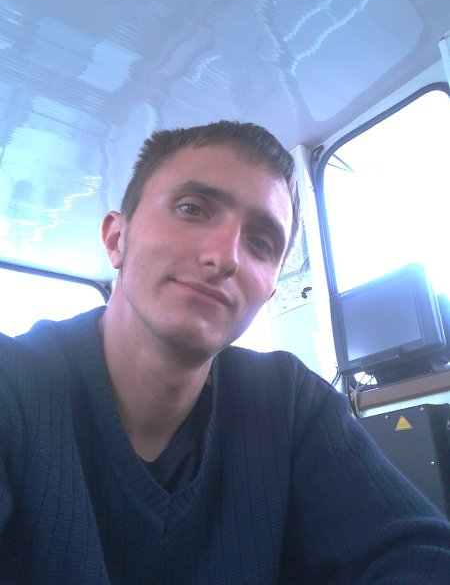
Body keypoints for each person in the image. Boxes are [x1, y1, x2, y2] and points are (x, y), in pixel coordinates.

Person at [0, 121, 449, 585]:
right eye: (191, 209)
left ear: (269, 289)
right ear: (117, 239)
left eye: (260, 243)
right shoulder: (14, 383)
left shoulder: (287, 402)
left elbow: (416, 554)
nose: (226, 257)